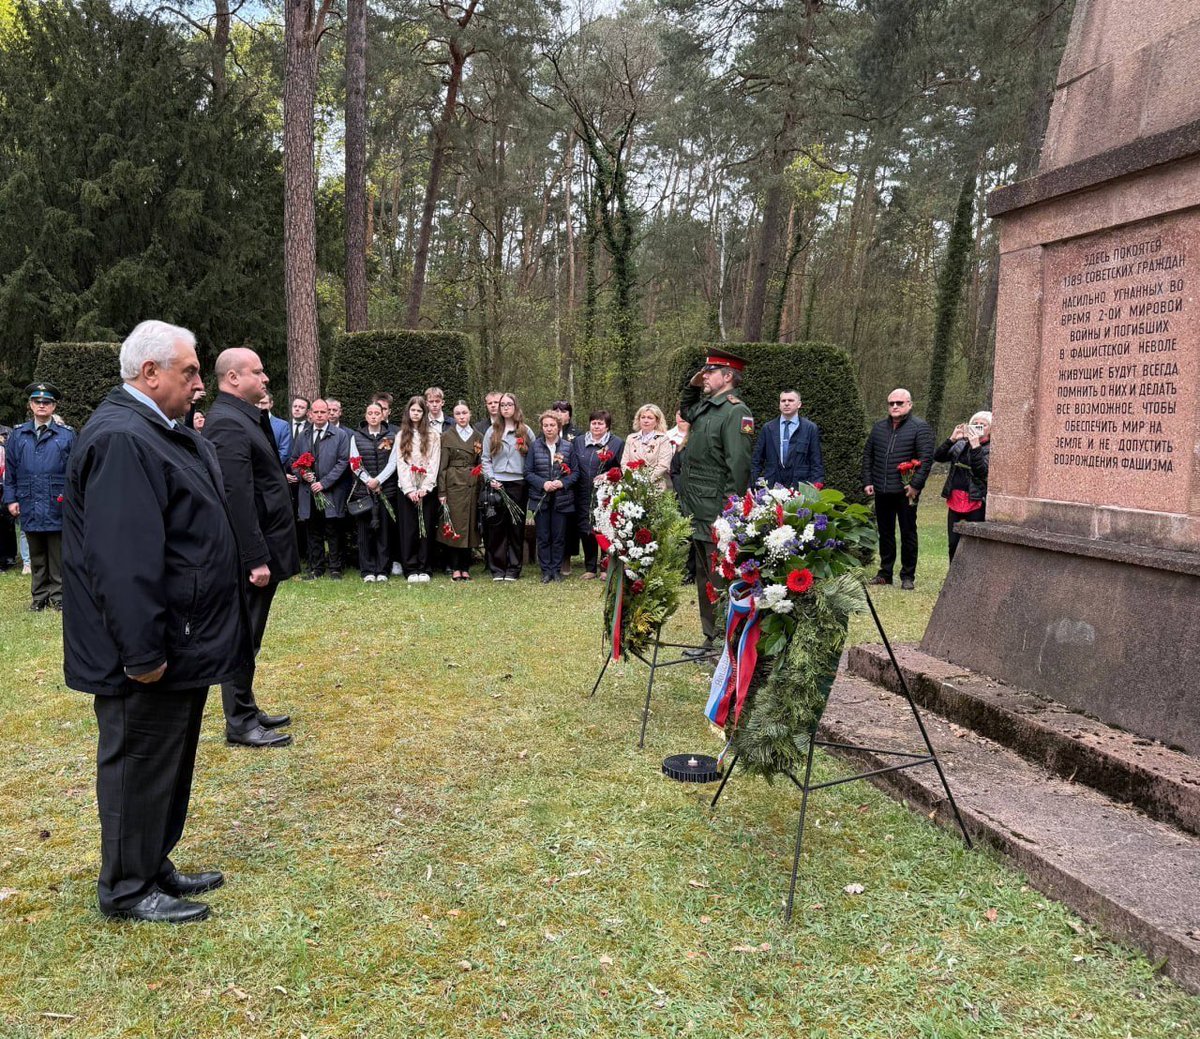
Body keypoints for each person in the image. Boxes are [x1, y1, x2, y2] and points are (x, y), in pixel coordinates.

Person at [62, 319, 250, 923]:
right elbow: (123, 561)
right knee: (138, 763)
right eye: (190, 371)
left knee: (168, 761)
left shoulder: (155, 431)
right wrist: (142, 654)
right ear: (150, 373)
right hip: (146, 650)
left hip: (180, 637)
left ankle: (151, 860)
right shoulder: (123, 438)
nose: (200, 383)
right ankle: (126, 886)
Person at [202, 349, 298, 749]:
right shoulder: (226, 423)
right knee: (243, 635)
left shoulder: (243, 416)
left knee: (251, 634)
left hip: (264, 546)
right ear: (234, 378)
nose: (265, 378)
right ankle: (239, 721)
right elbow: (235, 496)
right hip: (251, 556)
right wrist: (254, 557)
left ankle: (246, 706)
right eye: (257, 372)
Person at [678, 350, 754, 655]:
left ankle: (726, 642)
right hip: (696, 506)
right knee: (703, 576)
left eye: (711, 371)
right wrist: (692, 385)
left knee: (719, 577)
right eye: (705, 371)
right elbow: (686, 411)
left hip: (716, 510)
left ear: (728, 376)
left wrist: (729, 513)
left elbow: (739, 466)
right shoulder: (707, 406)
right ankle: (710, 638)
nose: (705, 375)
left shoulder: (736, 412)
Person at [2, 382, 75, 611]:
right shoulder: (18, 435)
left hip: (57, 501)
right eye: (37, 401)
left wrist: (72, 499)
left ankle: (58, 597)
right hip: (29, 500)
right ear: (30, 405)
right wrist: (11, 499)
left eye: (47, 402)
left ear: (54, 406)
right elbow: (10, 471)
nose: (42, 405)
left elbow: (75, 472)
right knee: (36, 554)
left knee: (57, 554)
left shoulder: (67, 435)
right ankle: (39, 597)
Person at [861, 388, 935, 590]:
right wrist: (868, 481)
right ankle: (885, 573)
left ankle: (907, 576)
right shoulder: (879, 428)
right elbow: (868, 456)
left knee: (908, 533)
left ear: (909, 404)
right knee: (885, 533)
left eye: (899, 403)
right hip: (882, 490)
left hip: (906, 492)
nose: (894, 406)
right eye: (891, 403)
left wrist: (916, 485)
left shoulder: (920, 428)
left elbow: (926, 460)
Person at [378, 395, 440, 582]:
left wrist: (425, 487)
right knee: (409, 529)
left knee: (425, 528)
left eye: (419, 411)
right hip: (407, 490)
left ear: (424, 413)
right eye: (413, 410)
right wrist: (409, 489)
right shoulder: (401, 435)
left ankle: (424, 567)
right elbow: (401, 463)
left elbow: (434, 462)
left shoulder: (433, 435)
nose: (416, 413)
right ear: (408, 412)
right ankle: (411, 568)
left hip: (426, 489)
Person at [290, 399, 353, 579]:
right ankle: (316, 567)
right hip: (308, 492)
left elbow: (343, 462)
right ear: (310, 414)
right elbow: (294, 460)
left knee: (333, 530)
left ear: (328, 413)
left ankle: (335, 567)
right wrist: (303, 474)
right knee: (313, 530)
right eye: (316, 412)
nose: (319, 415)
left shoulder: (340, 435)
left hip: (331, 492)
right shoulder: (303, 435)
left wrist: (324, 483)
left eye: (323, 412)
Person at [480, 392, 535, 581]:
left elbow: (533, 456)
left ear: (515, 407)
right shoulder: (492, 431)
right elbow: (485, 459)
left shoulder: (525, 431)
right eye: (502, 405)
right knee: (497, 527)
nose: (505, 408)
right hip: (497, 484)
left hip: (518, 484)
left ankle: (513, 568)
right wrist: (491, 479)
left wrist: (527, 477)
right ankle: (497, 569)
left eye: (509, 404)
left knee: (515, 527)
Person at [526, 411, 579, 583]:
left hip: (561, 499)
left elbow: (575, 473)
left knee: (558, 537)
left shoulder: (568, 447)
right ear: (542, 427)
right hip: (540, 498)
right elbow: (528, 472)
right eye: (545, 425)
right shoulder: (535, 446)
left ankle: (556, 570)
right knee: (543, 536)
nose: (549, 428)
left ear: (558, 427)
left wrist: (562, 483)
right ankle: (546, 570)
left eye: (552, 425)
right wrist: (543, 484)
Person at [935, 410, 991, 562]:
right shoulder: (960, 444)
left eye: (983, 425)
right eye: (975, 424)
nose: (978, 427)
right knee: (953, 543)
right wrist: (952, 439)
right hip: (955, 498)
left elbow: (981, 471)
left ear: (991, 429)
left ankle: (973, 574)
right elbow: (938, 456)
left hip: (976, 500)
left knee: (975, 545)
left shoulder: (991, 448)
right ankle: (954, 574)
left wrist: (976, 446)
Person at [574, 409, 624, 580]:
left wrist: (607, 475)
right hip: (583, 491)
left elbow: (621, 467)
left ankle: (605, 567)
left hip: (605, 492)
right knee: (586, 529)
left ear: (607, 426)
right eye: (593, 423)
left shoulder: (617, 442)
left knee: (604, 528)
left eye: (600, 423)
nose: (596, 426)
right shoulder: (579, 441)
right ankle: (590, 567)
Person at [436, 401, 483, 580]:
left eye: (464, 413)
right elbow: (442, 468)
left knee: (470, 526)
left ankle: (466, 567)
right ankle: (455, 567)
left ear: (470, 414)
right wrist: (442, 492)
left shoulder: (478, 436)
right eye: (458, 414)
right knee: (454, 525)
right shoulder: (446, 436)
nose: (462, 417)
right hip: (453, 486)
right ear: (453, 416)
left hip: (472, 485)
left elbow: (481, 463)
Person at [353, 402, 398, 582]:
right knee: (365, 533)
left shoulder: (392, 436)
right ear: (366, 416)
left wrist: (379, 480)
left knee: (384, 532)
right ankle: (367, 571)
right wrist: (369, 481)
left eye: (377, 413)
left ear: (382, 415)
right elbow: (354, 463)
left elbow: (393, 462)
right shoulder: (356, 437)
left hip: (386, 491)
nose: (373, 416)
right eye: (370, 413)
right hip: (364, 492)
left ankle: (382, 570)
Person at [750, 389, 824, 488]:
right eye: (783, 401)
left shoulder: (809, 428)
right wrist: (751, 486)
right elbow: (757, 460)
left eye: (791, 400)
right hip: (772, 486)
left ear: (799, 404)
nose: (786, 403)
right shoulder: (768, 428)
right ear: (779, 404)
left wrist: (815, 487)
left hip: (800, 486)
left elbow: (816, 462)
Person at [621, 404, 675, 491]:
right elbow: (624, 463)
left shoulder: (663, 439)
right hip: (633, 486)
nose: (646, 421)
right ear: (639, 419)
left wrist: (646, 481)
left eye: (650, 418)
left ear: (657, 421)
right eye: (643, 417)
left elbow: (663, 465)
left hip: (654, 487)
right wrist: (632, 479)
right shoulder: (631, 438)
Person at [258, 392, 291, 467]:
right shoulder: (248, 423)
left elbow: (284, 453)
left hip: (274, 469)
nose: (260, 406)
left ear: (271, 404)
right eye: (257, 403)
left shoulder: (282, 426)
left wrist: (268, 467)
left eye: (263, 403)